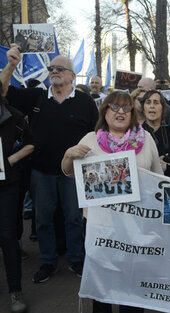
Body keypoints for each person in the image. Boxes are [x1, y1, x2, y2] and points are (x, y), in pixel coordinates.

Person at [1, 45, 98, 283]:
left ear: (72, 76)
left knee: (74, 218)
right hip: (40, 172)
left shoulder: (86, 102)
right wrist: (11, 65)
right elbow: (2, 92)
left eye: (60, 68)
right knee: (42, 219)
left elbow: (98, 135)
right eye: (51, 68)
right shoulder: (35, 97)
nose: (54, 71)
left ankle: (76, 260)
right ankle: (48, 262)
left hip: (73, 174)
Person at [61, 91, 163, 313]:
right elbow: (69, 171)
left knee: (133, 285)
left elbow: (158, 178)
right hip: (101, 226)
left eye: (126, 108)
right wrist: (69, 154)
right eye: (114, 107)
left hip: (136, 226)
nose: (120, 112)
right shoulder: (90, 139)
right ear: (104, 111)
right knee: (103, 285)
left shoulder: (146, 140)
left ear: (133, 113)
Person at [0, 81, 34, 313]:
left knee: (7, 236)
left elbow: (32, 143)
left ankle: (15, 290)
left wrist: (9, 161)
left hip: (6, 185)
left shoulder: (12, 115)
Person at [141, 90, 170, 180]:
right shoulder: (133, 135)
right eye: (148, 102)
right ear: (143, 109)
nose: (152, 106)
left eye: (156, 103)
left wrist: (166, 167)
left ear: (163, 108)